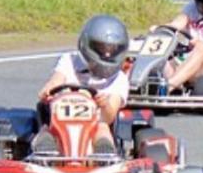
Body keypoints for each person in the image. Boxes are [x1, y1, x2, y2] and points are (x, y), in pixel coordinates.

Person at [33, 15, 130, 155]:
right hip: (59, 122)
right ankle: (44, 151)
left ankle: (104, 155)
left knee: (102, 128)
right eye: (101, 48)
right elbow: (57, 80)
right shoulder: (69, 61)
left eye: (113, 49)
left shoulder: (119, 79)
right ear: (87, 45)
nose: (107, 53)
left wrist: (104, 104)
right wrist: (48, 89)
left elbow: (110, 115)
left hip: (96, 124)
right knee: (47, 127)